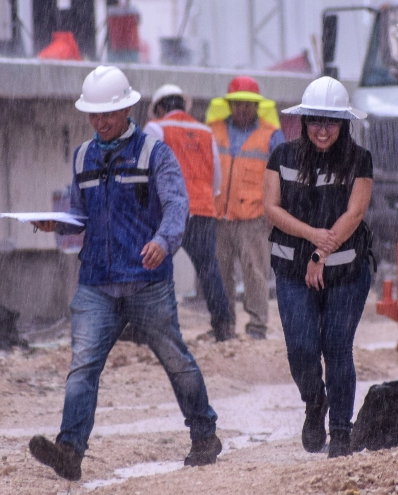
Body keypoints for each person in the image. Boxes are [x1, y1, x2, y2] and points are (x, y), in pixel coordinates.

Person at [27, 66, 222, 481]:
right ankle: (70, 450)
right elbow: (81, 216)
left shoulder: (155, 153)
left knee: (175, 359)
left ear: (129, 107)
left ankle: (205, 435)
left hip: (147, 281)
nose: (100, 122)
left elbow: (176, 206)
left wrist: (163, 241)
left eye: (108, 114)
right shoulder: (83, 157)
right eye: (93, 115)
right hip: (96, 282)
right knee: (83, 366)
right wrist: (56, 223)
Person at [263, 77, 373, 458]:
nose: (322, 130)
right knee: (302, 349)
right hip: (292, 271)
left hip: (346, 271)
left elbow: (355, 212)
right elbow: (271, 209)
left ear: (344, 124)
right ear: (303, 121)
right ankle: (315, 403)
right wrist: (312, 237)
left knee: (337, 347)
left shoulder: (359, 160)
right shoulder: (281, 156)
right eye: (315, 121)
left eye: (331, 122)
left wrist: (320, 255)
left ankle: (341, 431)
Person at [145, 84, 234, 341]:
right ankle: (223, 325)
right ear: (184, 105)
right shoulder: (205, 131)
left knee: (157, 264)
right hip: (203, 209)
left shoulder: (156, 128)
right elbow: (216, 177)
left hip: (168, 211)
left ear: (160, 108)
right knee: (209, 268)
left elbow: (147, 172)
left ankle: (158, 326)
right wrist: (203, 197)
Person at [207, 76, 286, 339]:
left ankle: (257, 327)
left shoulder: (272, 136)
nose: (242, 108)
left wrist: (275, 214)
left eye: (248, 104)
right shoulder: (211, 131)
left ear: (257, 106)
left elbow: (281, 177)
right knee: (220, 274)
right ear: (229, 104)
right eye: (237, 103)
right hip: (219, 216)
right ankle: (224, 325)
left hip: (255, 219)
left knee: (256, 273)